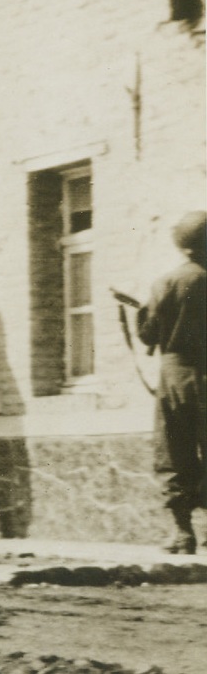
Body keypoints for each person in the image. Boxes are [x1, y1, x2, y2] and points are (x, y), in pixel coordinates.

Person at [137, 211, 207, 554]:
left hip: (175, 374)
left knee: (173, 450)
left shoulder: (165, 282)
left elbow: (148, 333)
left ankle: (183, 533)